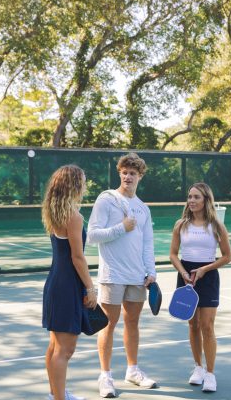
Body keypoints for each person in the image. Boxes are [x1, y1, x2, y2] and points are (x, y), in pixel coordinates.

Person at [87, 152, 157, 398]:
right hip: (112, 275)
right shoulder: (107, 200)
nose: (128, 176)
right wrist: (122, 228)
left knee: (133, 323)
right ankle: (105, 376)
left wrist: (151, 271)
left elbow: (147, 243)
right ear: (120, 173)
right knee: (108, 323)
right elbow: (92, 235)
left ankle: (132, 370)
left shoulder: (143, 208)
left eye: (133, 173)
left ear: (140, 176)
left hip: (137, 276)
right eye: (124, 172)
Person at [169, 182, 231, 393]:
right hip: (186, 275)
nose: (192, 201)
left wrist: (205, 269)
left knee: (207, 326)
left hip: (208, 275)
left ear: (206, 200)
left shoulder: (217, 226)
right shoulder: (180, 225)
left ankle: (211, 374)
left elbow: (227, 257)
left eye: (196, 197)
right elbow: (172, 254)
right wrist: (184, 273)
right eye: (190, 197)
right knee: (193, 325)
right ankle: (198, 368)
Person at [42, 165, 97, 400]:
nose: (85, 186)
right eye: (83, 181)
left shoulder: (54, 212)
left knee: (55, 346)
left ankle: (57, 393)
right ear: (74, 184)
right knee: (65, 349)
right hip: (67, 286)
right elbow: (77, 257)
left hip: (56, 283)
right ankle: (59, 397)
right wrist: (90, 287)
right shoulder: (73, 216)